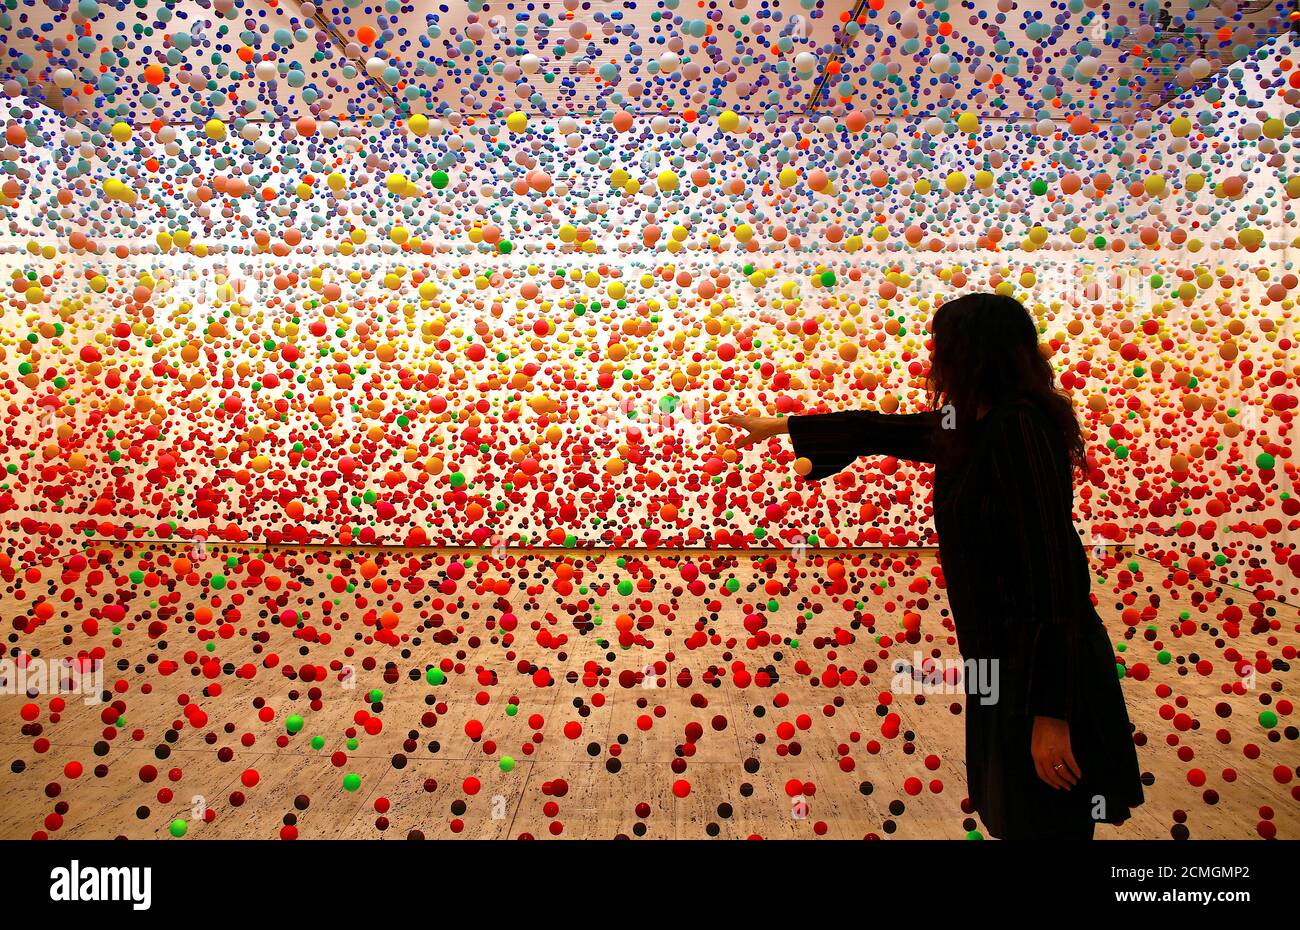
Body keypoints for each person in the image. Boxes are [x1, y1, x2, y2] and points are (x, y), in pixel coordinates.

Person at [722, 292, 1144, 840]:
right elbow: (879, 429)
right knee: (1017, 812)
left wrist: (1052, 714)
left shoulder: (1017, 427)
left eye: (942, 345)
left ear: (971, 353)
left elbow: (1053, 574)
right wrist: (778, 425)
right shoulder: (968, 420)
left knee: (1050, 816)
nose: (932, 357)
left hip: (1041, 665)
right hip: (996, 657)